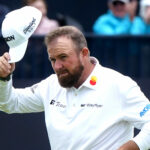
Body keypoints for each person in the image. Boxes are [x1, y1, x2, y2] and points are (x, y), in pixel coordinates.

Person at [0, 26, 150, 150]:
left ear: (84, 53)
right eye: (53, 59)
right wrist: (3, 78)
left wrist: (131, 147)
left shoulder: (119, 84)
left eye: (63, 57)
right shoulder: (50, 85)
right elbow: (10, 103)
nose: (57, 66)